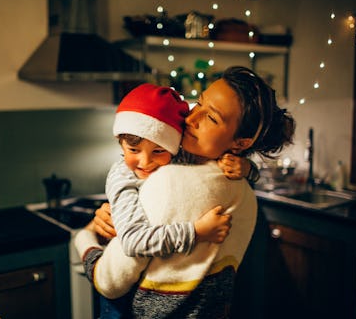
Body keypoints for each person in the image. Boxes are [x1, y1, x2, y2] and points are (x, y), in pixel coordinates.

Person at [75, 66, 295, 318]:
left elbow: (111, 282)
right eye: (199, 104)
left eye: (211, 118)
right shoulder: (241, 188)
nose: (190, 118)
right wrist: (247, 167)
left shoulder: (170, 182)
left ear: (241, 143)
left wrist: (86, 237)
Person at [98, 83, 255, 318]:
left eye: (158, 151)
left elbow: (235, 165)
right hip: (120, 305)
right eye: (133, 149)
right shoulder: (123, 178)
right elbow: (133, 242)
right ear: (120, 142)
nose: (145, 162)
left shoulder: (180, 157)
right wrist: (196, 232)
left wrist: (247, 168)